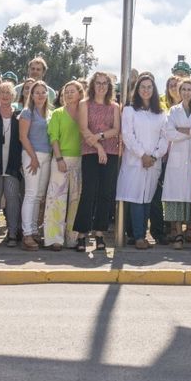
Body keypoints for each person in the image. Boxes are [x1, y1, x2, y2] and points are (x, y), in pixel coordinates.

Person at [118, 72, 169, 249]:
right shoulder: (130, 110)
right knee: (136, 197)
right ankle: (138, 236)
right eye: (142, 87)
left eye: (149, 87)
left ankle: (142, 236)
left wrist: (154, 156)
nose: (146, 90)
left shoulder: (161, 113)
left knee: (147, 198)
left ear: (154, 90)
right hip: (136, 161)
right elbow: (127, 135)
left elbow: (165, 137)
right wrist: (143, 155)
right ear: (137, 89)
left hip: (153, 162)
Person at [75, 71, 122, 253]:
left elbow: (116, 129)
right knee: (88, 192)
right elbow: (83, 129)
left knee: (105, 193)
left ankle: (100, 233)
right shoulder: (84, 104)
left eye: (105, 83)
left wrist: (101, 137)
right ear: (92, 85)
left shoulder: (114, 107)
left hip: (111, 153)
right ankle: (82, 234)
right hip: (90, 152)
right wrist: (99, 147)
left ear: (109, 87)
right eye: (98, 83)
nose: (101, 86)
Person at [43, 80, 84, 249]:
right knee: (56, 200)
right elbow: (54, 138)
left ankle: (72, 239)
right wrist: (59, 159)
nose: (68, 94)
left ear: (80, 94)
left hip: (80, 160)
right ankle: (54, 239)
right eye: (66, 92)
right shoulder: (58, 114)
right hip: (61, 160)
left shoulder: (84, 113)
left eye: (72, 91)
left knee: (76, 201)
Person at [160, 78, 191, 248]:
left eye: (189, 89)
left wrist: (185, 130)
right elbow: (170, 134)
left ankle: (190, 228)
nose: (186, 92)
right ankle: (177, 233)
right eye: (183, 89)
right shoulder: (173, 111)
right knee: (176, 195)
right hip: (176, 158)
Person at [0, 79, 25, 246]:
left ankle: (12, 233)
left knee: (12, 198)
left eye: (8, 93)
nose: (5, 96)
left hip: (12, 164)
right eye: (2, 92)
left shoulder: (19, 115)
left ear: (13, 96)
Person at [18, 80, 53, 250]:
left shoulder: (49, 113)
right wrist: (33, 157)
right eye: (36, 92)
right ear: (31, 95)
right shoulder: (27, 112)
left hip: (47, 156)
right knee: (30, 194)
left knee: (39, 196)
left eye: (43, 92)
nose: (40, 95)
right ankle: (27, 234)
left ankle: (34, 230)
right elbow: (23, 137)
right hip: (32, 155)